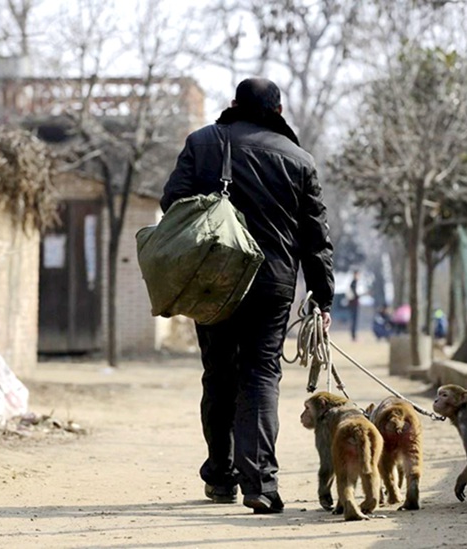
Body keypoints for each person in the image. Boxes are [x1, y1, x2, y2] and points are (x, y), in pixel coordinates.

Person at [161, 77, 334, 514]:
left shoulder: (203, 142)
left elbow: (171, 201)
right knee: (260, 374)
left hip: (214, 276)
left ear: (234, 104)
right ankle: (261, 483)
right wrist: (322, 296)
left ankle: (221, 476)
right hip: (273, 282)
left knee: (219, 373)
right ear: (277, 112)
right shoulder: (299, 160)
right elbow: (316, 237)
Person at [348, 270, 360, 341]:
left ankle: (354, 335)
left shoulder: (355, 283)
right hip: (353, 304)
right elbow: (355, 294)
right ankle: (353, 336)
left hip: (354, 304)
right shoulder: (353, 283)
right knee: (354, 320)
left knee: (354, 320)